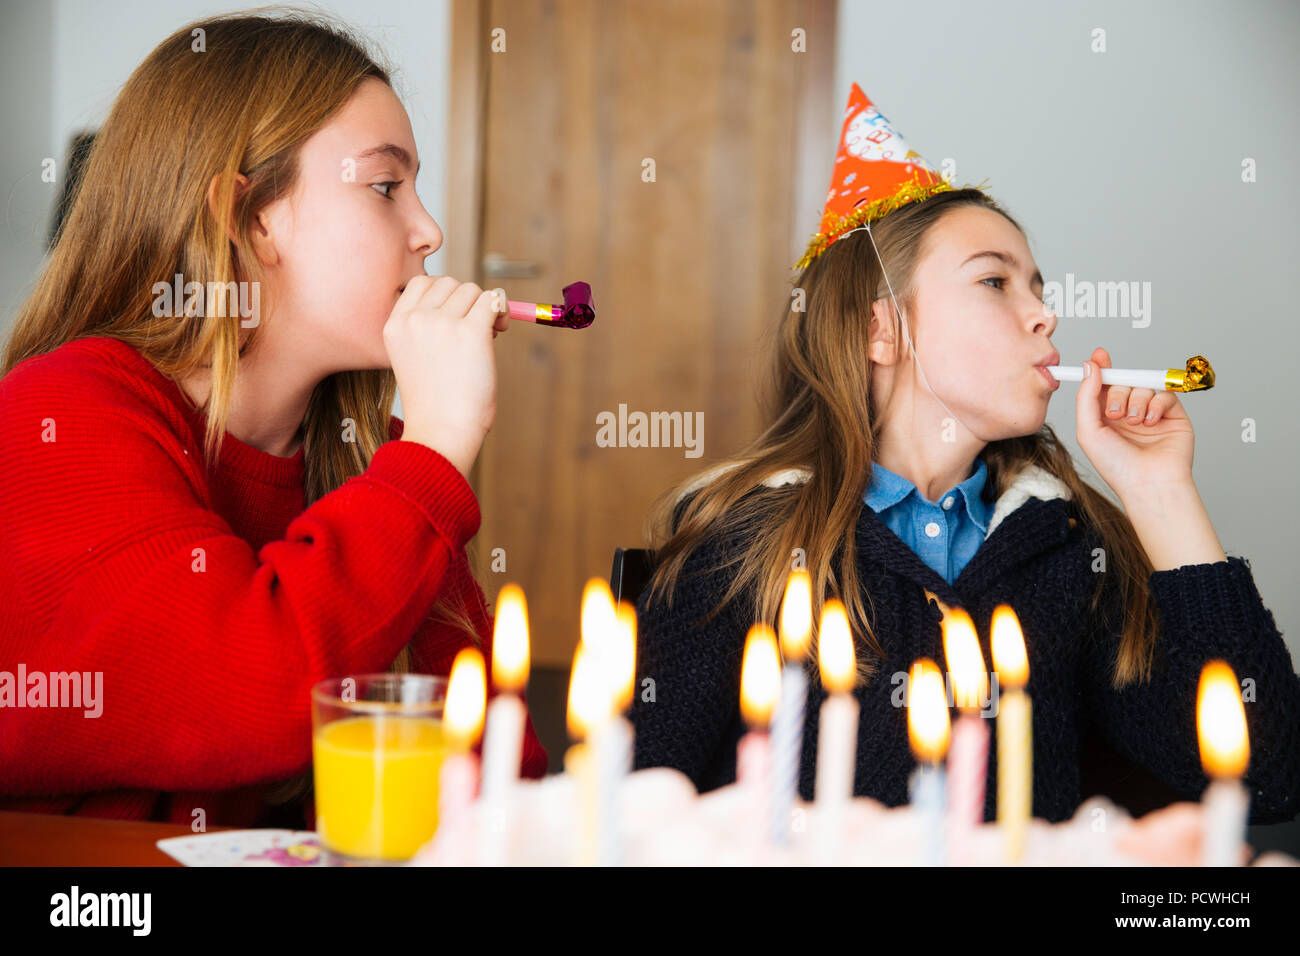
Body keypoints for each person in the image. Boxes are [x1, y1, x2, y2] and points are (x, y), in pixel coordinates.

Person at [629, 84, 1300, 825]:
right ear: (879, 331)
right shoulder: (747, 544)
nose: (1045, 313)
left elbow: (1268, 777)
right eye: (994, 281)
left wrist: (1161, 493)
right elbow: (629, 806)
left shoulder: (1073, 549)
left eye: (1038, 289)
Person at [0, 12, 547, 828]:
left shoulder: (376, 466)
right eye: (386, 187)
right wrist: (437, 449)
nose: (430, 231)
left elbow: (490, 767)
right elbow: (253, 697)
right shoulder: (56, 417)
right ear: (247, 219)